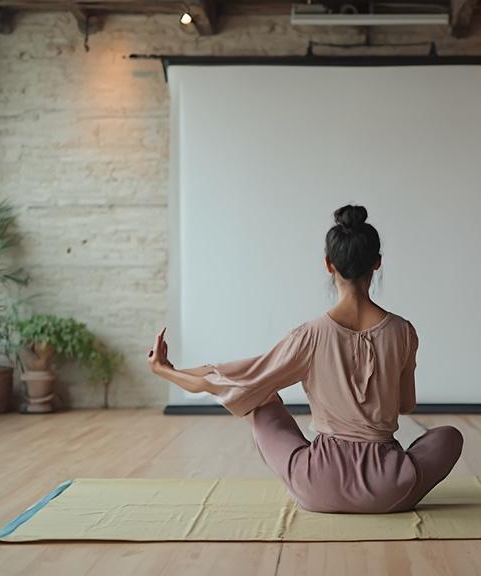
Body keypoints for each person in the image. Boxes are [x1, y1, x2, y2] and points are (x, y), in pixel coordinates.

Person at [148, 204, 463, 513]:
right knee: (449, 437)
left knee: (263, 402)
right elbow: (406, 406)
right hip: (388, 489)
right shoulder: (403, 332)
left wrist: (167, 371)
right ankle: (391, 493)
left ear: (329, 265)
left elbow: (241, 381)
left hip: (318, 485)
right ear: (377, 263)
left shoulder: (309, 335)